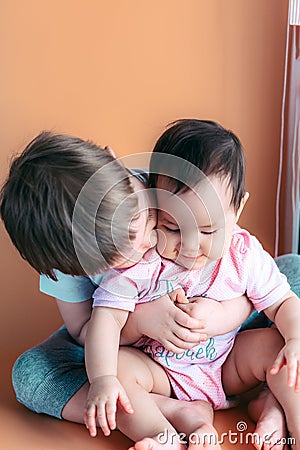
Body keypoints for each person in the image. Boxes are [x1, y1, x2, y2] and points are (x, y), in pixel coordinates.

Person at [0, 131, 252, 433]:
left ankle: (148, 403)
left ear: (116, 162)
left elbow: (239, 261)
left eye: (142, 220)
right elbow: (81, 331)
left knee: (290, 271)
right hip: (127, 353)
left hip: (216, 335)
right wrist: (139, 321)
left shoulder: (166, 184)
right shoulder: (67, 264)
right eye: (117, 260)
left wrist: (225, 312)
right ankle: (159, 408)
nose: (149, 241)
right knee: (30, 375)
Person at [84, 119, 300, 450]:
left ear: (238, 208)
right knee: (118, 370)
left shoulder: (243, 253)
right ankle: (162, 436)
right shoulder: (143, 259)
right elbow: (106, 318)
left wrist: (295, 338)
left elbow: (283, 302)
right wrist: (102, 380)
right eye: (172, 226)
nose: (189, 245)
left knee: (281, 351)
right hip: (162, 374)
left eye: (208, 231)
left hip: (230, 365)